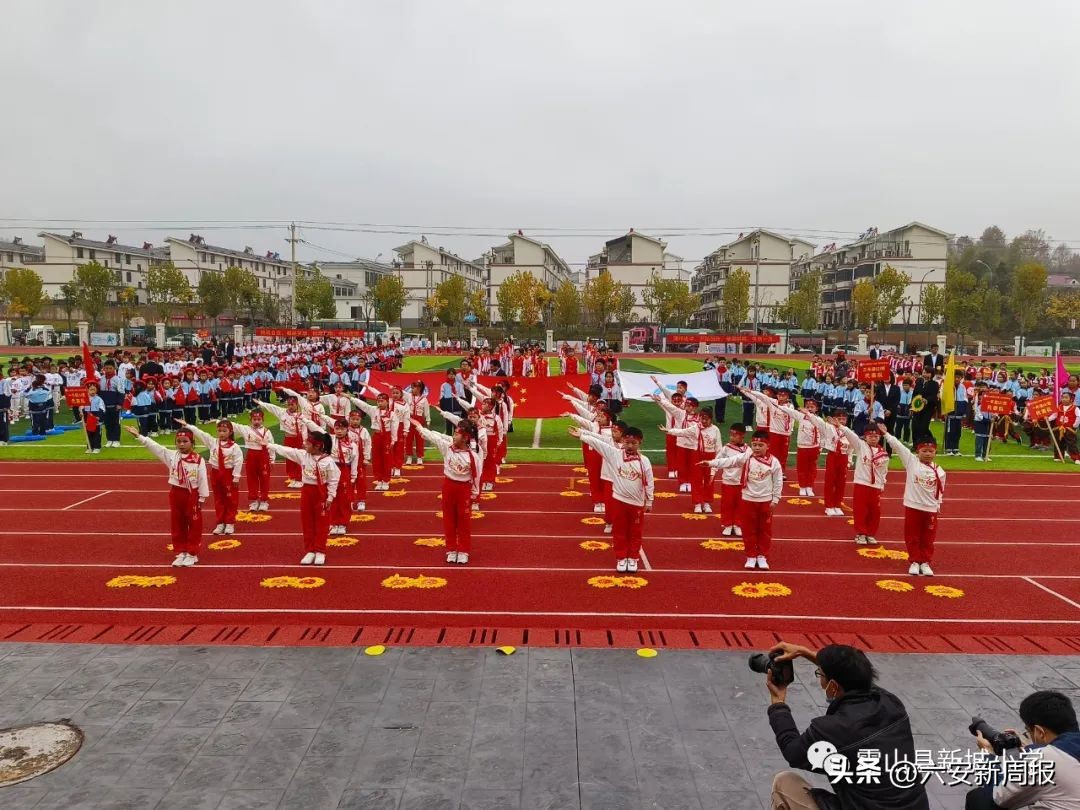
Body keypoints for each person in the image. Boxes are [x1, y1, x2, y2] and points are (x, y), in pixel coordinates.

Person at [766, 641, 929, 810]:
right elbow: (857, 679)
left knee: (784, 783)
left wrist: (778, 704)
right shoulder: (891, 703)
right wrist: (804, 653)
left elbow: (792, 752)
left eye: (820, 674)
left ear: (833, 686)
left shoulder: (831, 729)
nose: (820, 679)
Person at [965, 690, 1080, 810]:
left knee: (979, 798)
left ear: (1040, 732)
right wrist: (1030, 749)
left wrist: (987, 754)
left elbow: (998, 798)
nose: (1029, 735)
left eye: (1029, 731)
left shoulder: (1043, 760)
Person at [125, 425, 209, 567]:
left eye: (185, 441)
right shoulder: (172, 456)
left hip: (191, 494)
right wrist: (139, 436)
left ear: (192, 443)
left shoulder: (198, 459)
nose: (181, 444)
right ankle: (181, 551)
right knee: (177, 523)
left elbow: (202, 478)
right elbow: (155, 447)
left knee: (194, 524)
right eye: (179, 441)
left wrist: (202, 497)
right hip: (176, 493)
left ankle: (192, 553)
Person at [573, 425, 654, 572]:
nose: (630, 446)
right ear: (623, 441)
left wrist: (649, 501)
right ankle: (621, 558)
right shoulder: (615, 455)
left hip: (637, 503)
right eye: (627, 442)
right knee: (619, 531)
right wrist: (582, 435)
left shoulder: (645, 461)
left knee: (635, 532)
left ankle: (633, 558)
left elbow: (649, 481)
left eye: (634, 443)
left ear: (640, 442)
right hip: (619, 501)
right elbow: (599, 444)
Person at [704, 429, 782, 570]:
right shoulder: (746, 457)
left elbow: (778, 482)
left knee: (764, 530)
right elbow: (729, 461)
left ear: (768, 446)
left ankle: (762, 556)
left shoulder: (774, 462)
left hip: (765, 501)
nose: (756, 448)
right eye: (754, 445)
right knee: (748, 529)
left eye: (760, 445)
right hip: (748, 499)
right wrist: (710, 463)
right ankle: (751, 556)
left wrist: (775, 499)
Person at [262, 429, 339, 565]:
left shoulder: (328, 461)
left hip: (321, 493)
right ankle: (310, 550)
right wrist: (268, 445)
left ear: (317, 446)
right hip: (307, 492)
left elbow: (334, 479)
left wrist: (330, 497)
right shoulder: (303, 455)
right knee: (307, 522)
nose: (304, 445)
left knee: (322, 523)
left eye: (307, 443)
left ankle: (320, 550)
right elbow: (287, 451)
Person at [413, 419, 482, 564]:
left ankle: (463, 550)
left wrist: (474, 494)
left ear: (465, 438)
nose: (454, 436)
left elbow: (476, 476)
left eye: (457, 434)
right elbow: (434, 438)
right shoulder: (447, 448)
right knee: (449, 520)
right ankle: (451, 549)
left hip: (464, 489)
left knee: (463, 521)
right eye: (454, 433)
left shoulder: (473, 456)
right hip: (448, 486)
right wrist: (420, 428)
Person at [883, 431, 945, 576]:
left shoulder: (940, 471)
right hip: (913, 506)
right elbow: (899, 447)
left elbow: (940, 490)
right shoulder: (911, 462)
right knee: (912, 536)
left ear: (935, 453)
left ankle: (925, 562)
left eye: (931, 451)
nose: (928, 454)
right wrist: (886, 434)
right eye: (924, 451)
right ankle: (915, 561)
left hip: (930, 509)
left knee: (928, 537)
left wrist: (938, 505)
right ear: (918, 451)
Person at [178, 419, 244, 536]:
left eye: (224, 431)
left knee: (231, 499)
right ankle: (220, 522)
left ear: (230, 432)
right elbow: (201, 434)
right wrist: (188, 426)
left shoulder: (234, 447)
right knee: (218, 499)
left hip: (228, 474)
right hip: (216, 473)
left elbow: (238, 461)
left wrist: (236, 477)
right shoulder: (213, 442)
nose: (221, 433)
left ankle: (229, 522)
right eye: (219, 431)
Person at [837, 421, 891, 546]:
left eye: (876, 436)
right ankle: (861, 533)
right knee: (861, 510)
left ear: (879, 437)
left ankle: (870, 533)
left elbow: (884, 471)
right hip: (862, 484)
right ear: (865, 437)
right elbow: (851, 435)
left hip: (876, 486)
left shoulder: (883, 454)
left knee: (875, 512)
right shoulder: (861, 446)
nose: (873, 438)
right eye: (870, 436)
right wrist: (840, 426)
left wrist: (882, 484)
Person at [232, 408, 275, 512]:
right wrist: (219, 421)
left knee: (264, 479)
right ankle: (253, 500)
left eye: (259, 419)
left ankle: (264, 501)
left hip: (263, 456)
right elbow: (234, 425)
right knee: (251, 478)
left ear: (262, 419)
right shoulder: (246, 429)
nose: (256, 421)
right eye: (254, 419)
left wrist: (272, 459)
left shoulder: (267, 432)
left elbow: (272, 446)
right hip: (251, 455)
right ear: (250, 419)